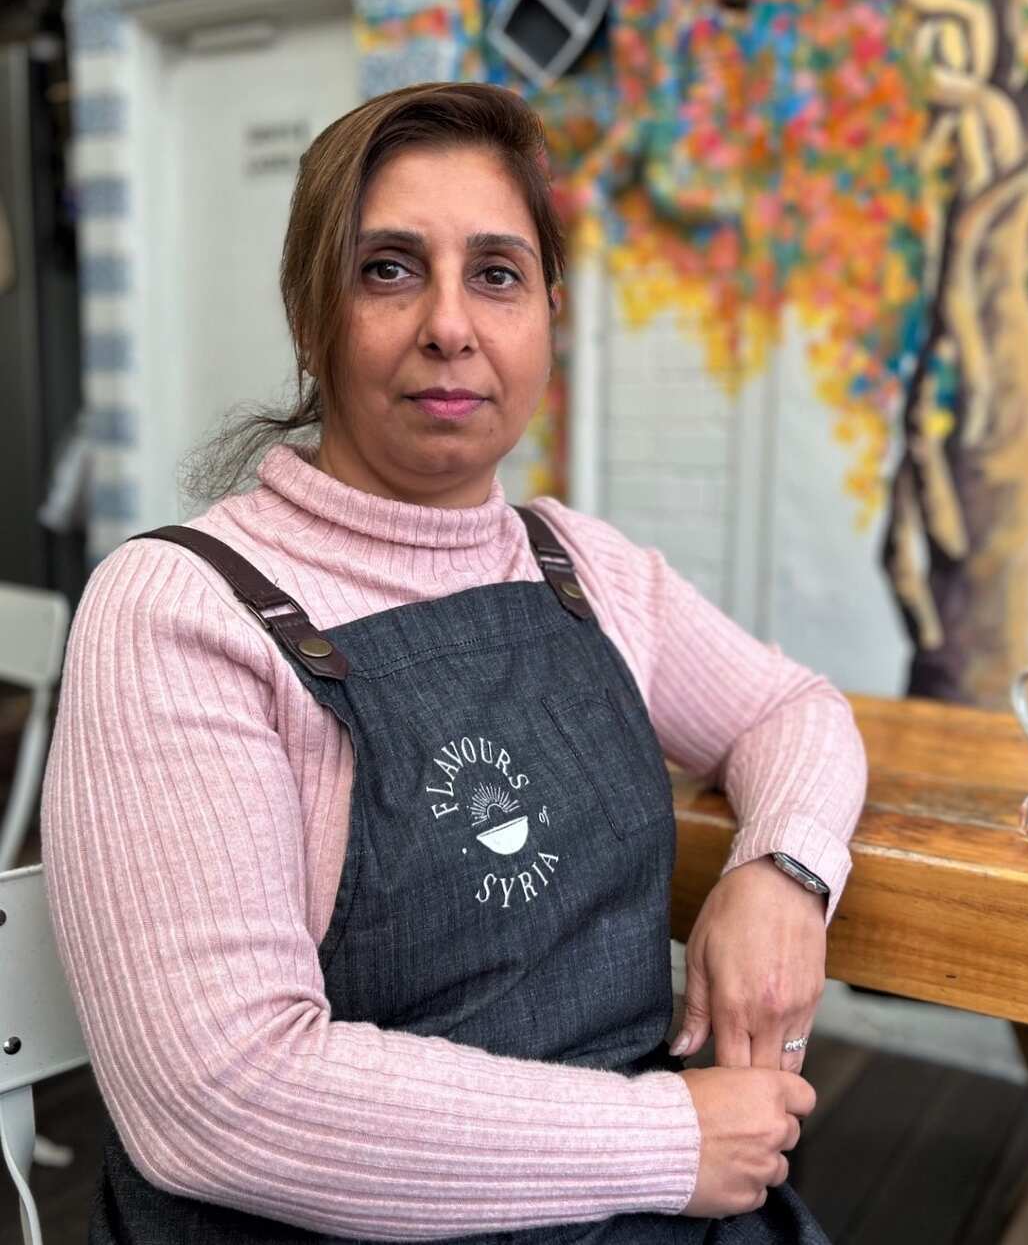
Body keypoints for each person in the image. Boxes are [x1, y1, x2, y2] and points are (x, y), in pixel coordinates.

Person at [42, 82, 867, 1243]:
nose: (449, 324)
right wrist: (666, 1140)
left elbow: (793, 708)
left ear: (545, 314)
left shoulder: (576, 563)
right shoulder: (181, 608)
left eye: (495, 273)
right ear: (308, 314)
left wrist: (780, 872)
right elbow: (219, 1097)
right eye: (388, 268)